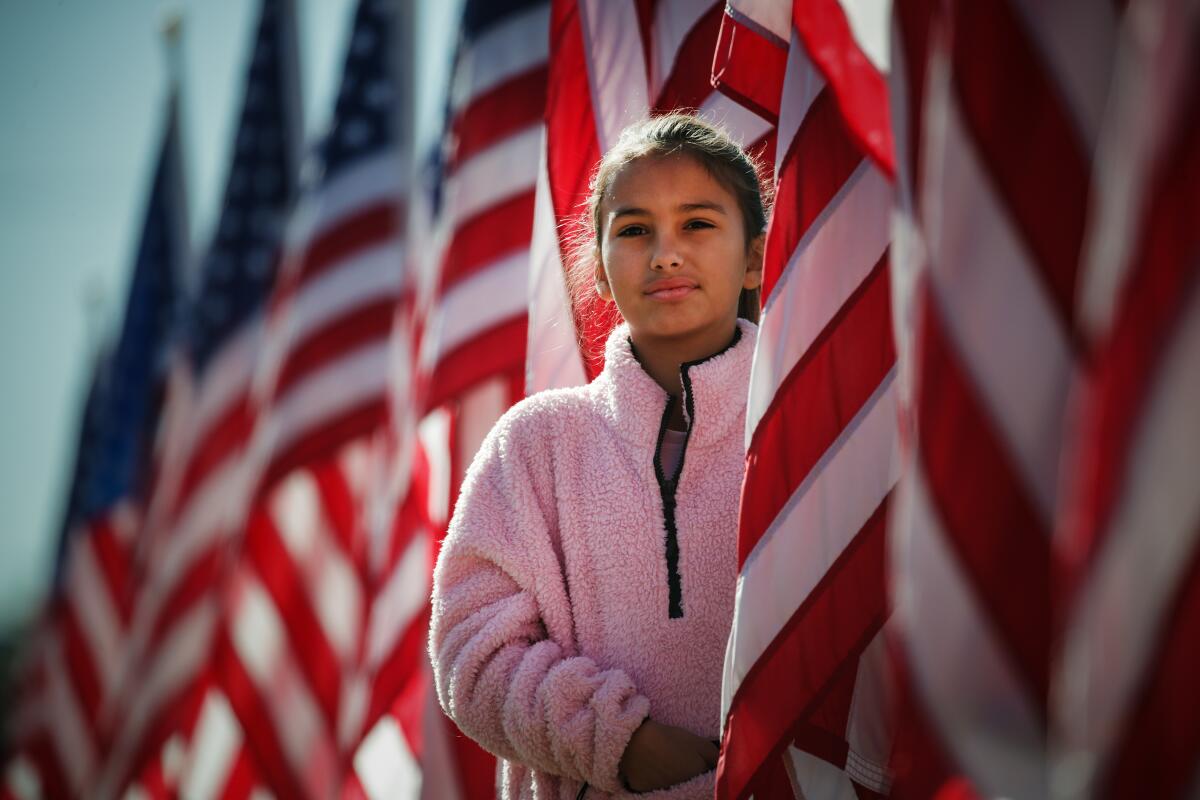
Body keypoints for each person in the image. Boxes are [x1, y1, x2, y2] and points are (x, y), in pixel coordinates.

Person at [429, 112, 767, 799]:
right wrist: (619, 740)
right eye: (635, 230)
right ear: (602, 273)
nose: (665, 254)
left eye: (697, 224)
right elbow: (472, 651)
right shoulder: (535, 442)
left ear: (754, 256)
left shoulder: (807, 419)